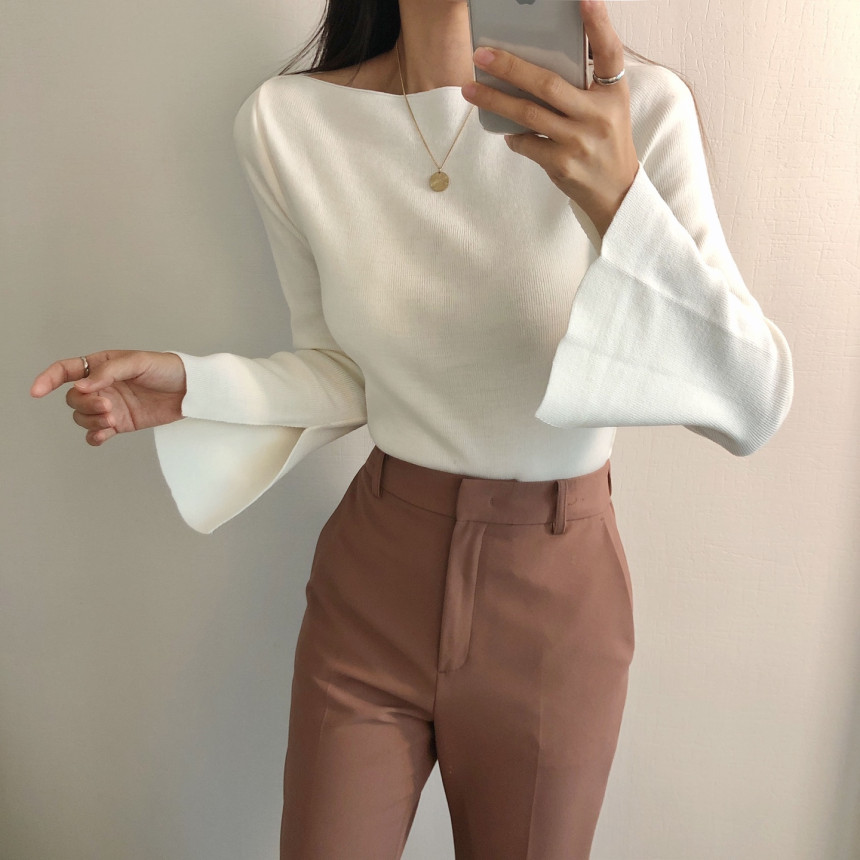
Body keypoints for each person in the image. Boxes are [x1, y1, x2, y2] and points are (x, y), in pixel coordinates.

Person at [30, 0, 794, 856]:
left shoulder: (634, 109)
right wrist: (196, 388)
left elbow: (753, 401)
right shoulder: (288, 123)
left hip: (554, 598)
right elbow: (346, 369)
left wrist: (620, 196)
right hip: (373, 581)